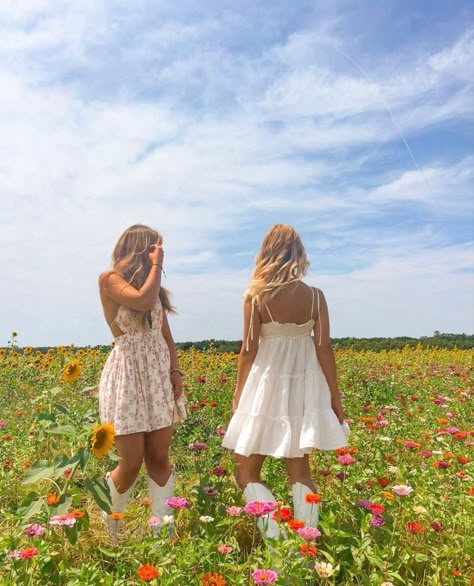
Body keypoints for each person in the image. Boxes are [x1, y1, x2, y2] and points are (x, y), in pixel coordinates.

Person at [222, 224, 348, 538]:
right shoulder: (316, 297)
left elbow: (248, 349)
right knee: (300, 472)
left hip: (265, 387)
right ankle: (305, 548)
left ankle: (275, 538)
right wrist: (334, 395)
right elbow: (324, 347)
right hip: (304, 388)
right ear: (298, 254)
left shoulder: (255, 295)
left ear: (266, 252)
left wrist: (238, 393)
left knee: (246, 470)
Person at [98, 224, 186, 536]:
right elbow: (143, 301)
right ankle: (112, 529)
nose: (158, 254)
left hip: (158, 375)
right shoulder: (109, 280)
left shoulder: (153, 287)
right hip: (128, 376)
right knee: (131, 461)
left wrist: (175, 372)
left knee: (159, 456)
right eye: (154, 248)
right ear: (141, 248)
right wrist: (158, 265)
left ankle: (161, 533)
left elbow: (166, 335)